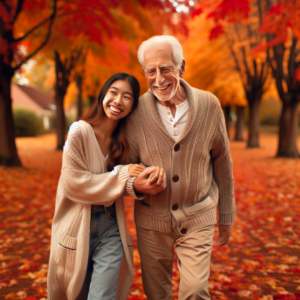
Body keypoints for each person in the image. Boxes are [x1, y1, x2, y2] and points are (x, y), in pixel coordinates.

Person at [124, 36, 236, 300]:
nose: (158, 78)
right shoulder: (136, 112)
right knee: (156, 294)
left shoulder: (209, 105)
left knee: (195, 291)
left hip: (198, 213)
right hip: (152, 220)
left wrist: (227, 215)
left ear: (182, 67)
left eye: (166, 68)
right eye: (150, 71)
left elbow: (222, 160)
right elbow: (124, 165)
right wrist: (135, 181)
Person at [47, 72, 165, 300]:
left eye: (127, 97)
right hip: (77, 228)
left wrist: (141, 184)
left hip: (111, 227)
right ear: (103, 95)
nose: (118, 101)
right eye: (113, 92)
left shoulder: (123, 142)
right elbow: (73, 184)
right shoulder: (79, 132)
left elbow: (125, 182)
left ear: (133, 107)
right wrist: (121, 175)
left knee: (102, 297)